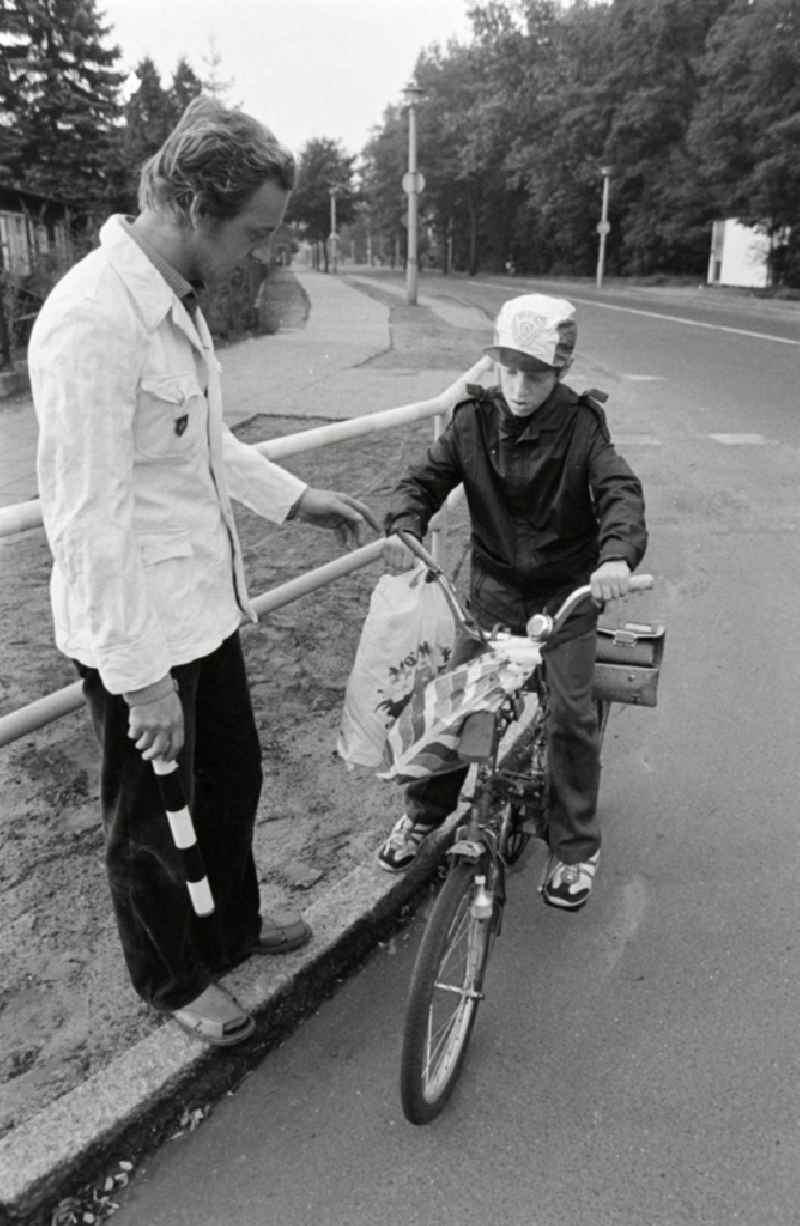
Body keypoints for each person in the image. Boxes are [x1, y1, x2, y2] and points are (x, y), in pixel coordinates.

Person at [28, 96, 377, 1047]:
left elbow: (201, 441)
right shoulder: (93, 321)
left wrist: (297, 498)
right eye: (256, 232)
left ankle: (228, 926)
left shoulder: (172, 303)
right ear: (191, 203)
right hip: (135, 631)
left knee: (231, 785)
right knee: (150, 821)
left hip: (203, 610)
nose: (262, 252)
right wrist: (137, 681)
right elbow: (86, 517)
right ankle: (175, 978)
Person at [376, 293, 647, 910]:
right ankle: (424, 815)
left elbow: (619, 492)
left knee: (572, 716)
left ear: (561, 373)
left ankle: (576, 848)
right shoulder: (472, 419)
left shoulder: (583, 426)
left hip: (566, 598)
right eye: (509, 369)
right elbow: (423, 479)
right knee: (453, 702)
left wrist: (615, 558)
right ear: (494, 366)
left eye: (537, 373)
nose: (521, 386)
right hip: (494, 592)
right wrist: (405, 524)